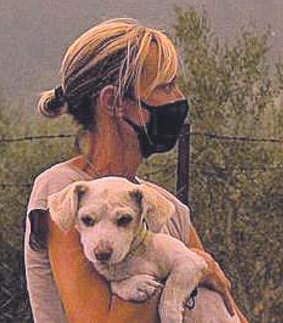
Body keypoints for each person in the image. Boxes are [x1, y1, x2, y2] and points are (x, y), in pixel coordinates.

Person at [24, 18, 249, 322]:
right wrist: (195, 266)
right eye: (165, 87)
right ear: (114, 101)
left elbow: (227, 308)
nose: (178, 99)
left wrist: (195, 268)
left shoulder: (167, 209)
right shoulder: (63, 191)